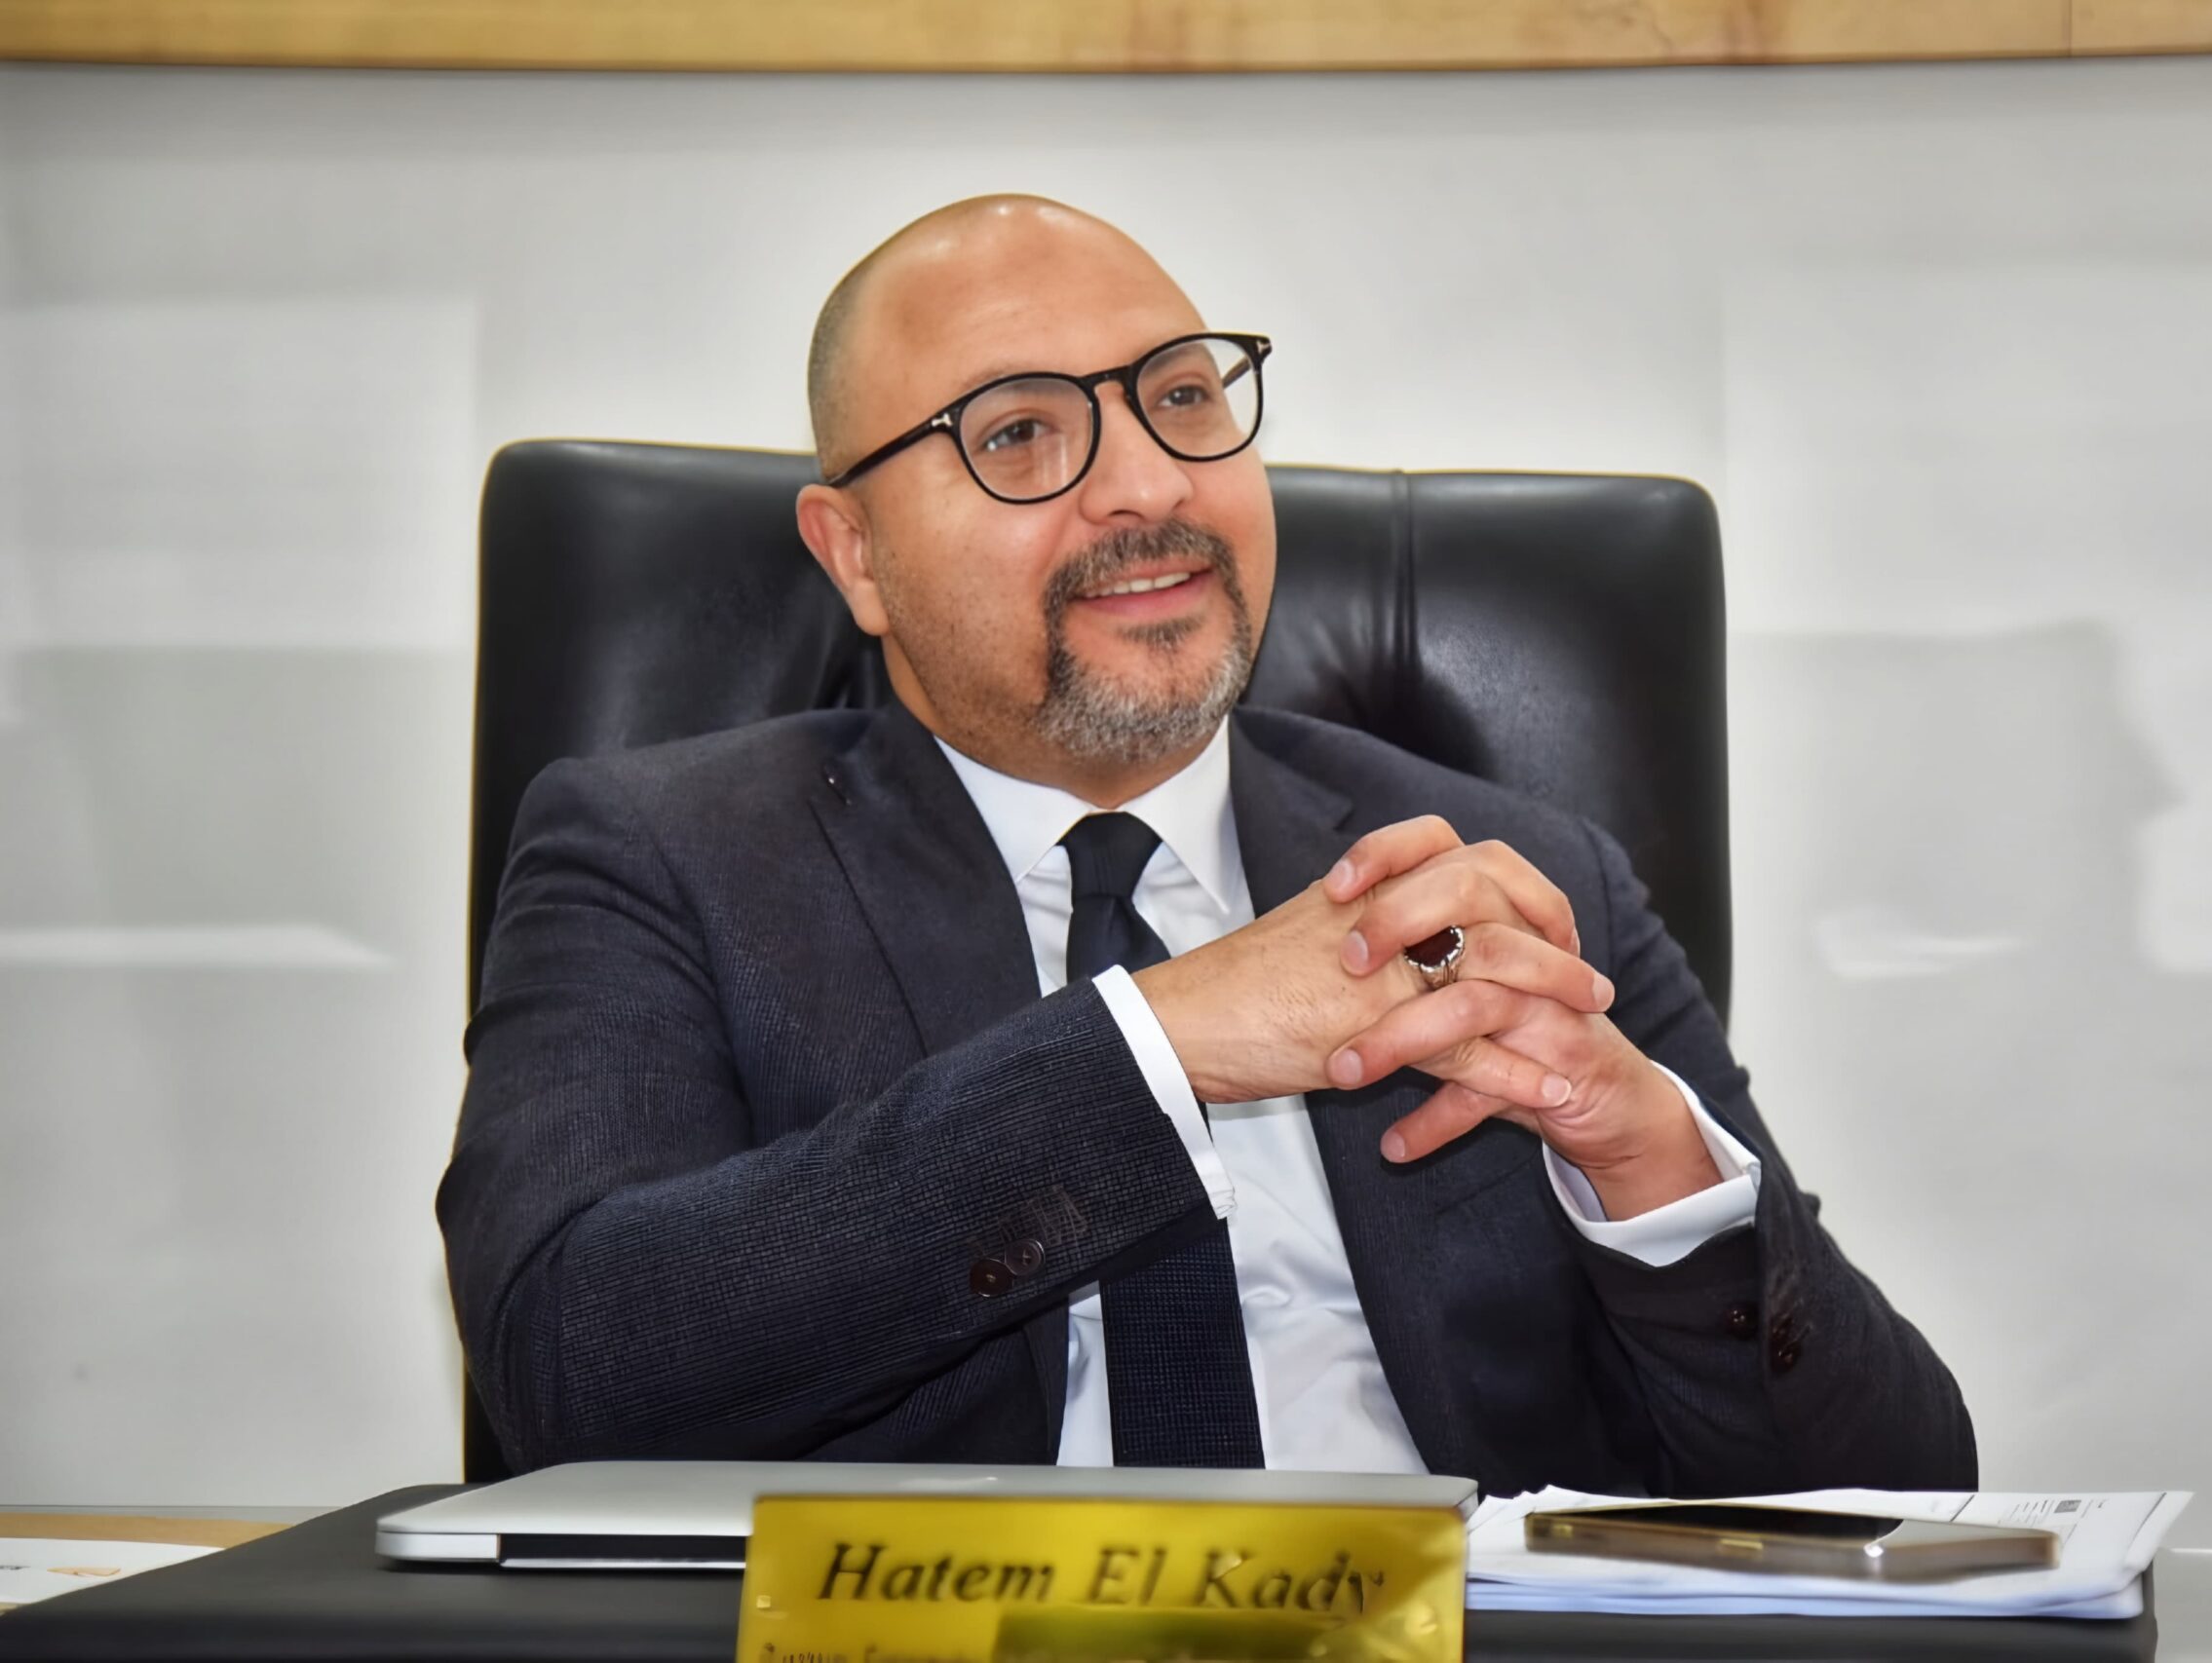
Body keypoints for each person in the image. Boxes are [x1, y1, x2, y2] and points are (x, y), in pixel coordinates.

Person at [439, 195, 1975, 1498]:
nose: (1150, 487)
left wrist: (1656, 1175)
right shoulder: (660, 856)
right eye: (1019, 432)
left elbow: (1902, 1495)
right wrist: (1157, 1044)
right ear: (857, 558)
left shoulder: (1509, 870)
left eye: (1182, 398)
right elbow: (570, 1374)